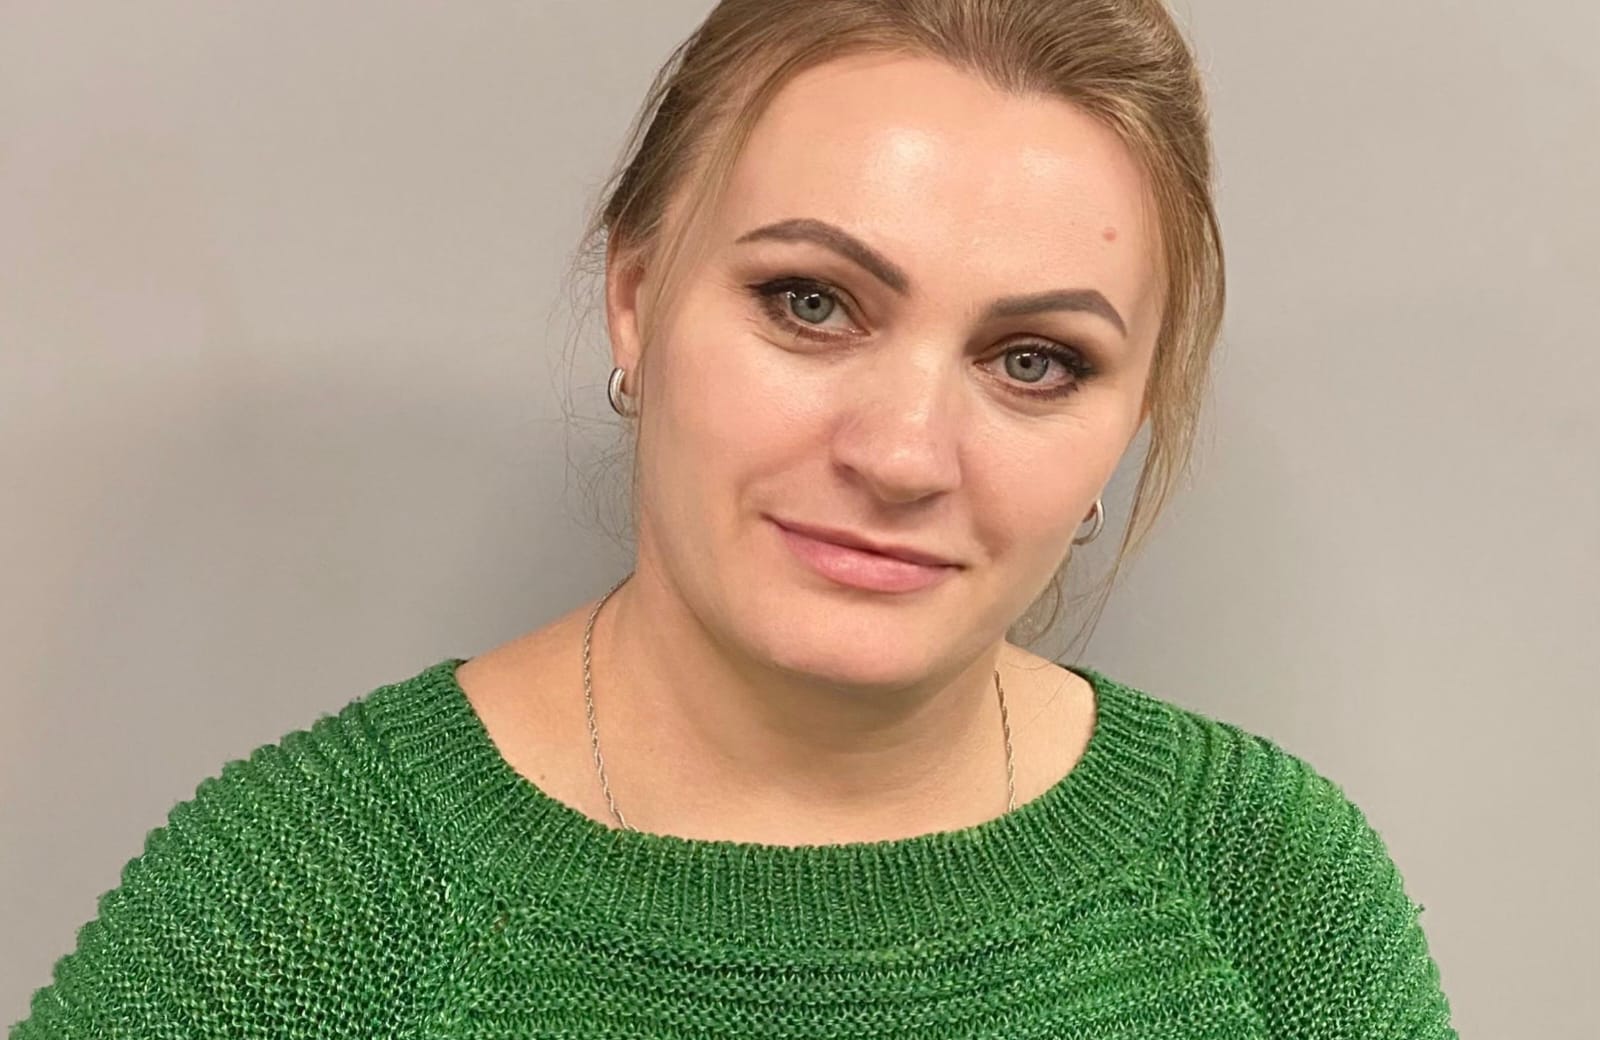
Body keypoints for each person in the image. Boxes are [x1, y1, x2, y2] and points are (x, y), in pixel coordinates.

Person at [10, 1, 1460, 1036]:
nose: (903, 454)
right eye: (809, 303)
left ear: (1127, 424)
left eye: (1036, 362)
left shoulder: (1266, 881)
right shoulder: (311, 904)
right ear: (638, 303)